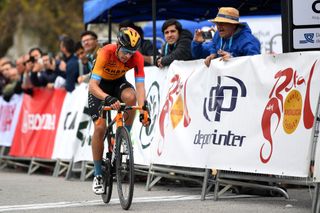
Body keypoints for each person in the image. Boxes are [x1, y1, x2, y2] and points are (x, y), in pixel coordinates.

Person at [88, 27, 150, 194]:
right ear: (117, 45)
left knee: (131, 97)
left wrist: (143, 108)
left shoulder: (136, 57)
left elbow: (140, 86)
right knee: (100, 127)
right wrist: (107, 98)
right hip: (99, 88)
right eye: (125, 51)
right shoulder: (105, 52)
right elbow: (92, 86)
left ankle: (123, 136)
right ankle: (98, 174)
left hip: (118, 83)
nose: (127, 56)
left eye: (131, 52)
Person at [191, 7, 261, 67]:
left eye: (223, 23)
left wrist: (233, 59)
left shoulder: (248, 41)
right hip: (222, 80)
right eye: (217, 23)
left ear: (233, 25)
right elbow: (198, 54)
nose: (219, 26)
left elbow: (255, 65)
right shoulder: (217, 35)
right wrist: (197, 43)